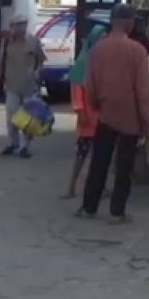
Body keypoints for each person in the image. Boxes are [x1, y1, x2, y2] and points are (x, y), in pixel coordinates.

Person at [79, 4, 149, 223]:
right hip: (130, 118)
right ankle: (117, 211)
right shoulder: (137, 51)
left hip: (106, 115)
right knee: (124, 166)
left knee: (99, 162)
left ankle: (89, 206)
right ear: (129, 23)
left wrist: (98, 106)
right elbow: (142, 90)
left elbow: (89, 86)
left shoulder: (97, 50)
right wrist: (147, 119)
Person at [64, 23, 107, 199]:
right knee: (81, 155)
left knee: (101, 157)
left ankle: (99, 188)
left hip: (104, 117)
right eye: (101, 38)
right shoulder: (83, 61)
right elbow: (76, 90)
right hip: (88, 118)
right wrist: (80, 110)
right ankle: (71, 188)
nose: (103, 42)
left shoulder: (105, 61)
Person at [0, 15, 46, 159]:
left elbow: (41, 60)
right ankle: (13, 143)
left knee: (28, 119)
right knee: (11, 117)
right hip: (12, 85)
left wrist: (36, 71)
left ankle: (25, 146)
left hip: (29, 85)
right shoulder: (6, 43)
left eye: (22, 24)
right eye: (16, 25)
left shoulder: (33, 41)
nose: (19, 28)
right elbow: (1, 63)